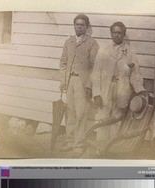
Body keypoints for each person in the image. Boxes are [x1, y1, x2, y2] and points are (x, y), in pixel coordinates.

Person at [92, 21, 146, 140]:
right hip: (105, 87)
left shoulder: (129, 51)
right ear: (111, 33)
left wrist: (140, 89)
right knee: (103, 116)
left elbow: (135, 73)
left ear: (124, 34)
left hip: (122, 88)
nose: (117, 35)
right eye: (115, 32)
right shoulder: (103, 49)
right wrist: (96, 94)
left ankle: (112, 147)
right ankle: (101, 146)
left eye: (120, 33)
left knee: (117, 118)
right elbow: (96, 73)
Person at [59, 14, 99, 152]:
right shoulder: (68, 42)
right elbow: (63, 64)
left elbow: (95, 67)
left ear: (86, 27)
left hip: (83, 83)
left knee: (81, 113)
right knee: (70, 112)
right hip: (70, 81)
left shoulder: (92, 43)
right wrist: (63, 83)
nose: (79, 26)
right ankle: (69, 141)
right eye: (77, 24)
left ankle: (79, 144)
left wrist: (89, 85)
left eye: (82, 24)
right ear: (74, 25)